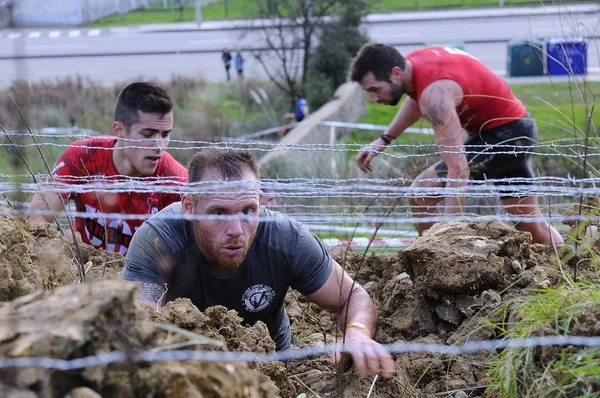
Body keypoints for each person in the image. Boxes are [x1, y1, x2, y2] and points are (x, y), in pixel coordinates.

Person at [122, 148, 394, 378]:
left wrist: (357, 333)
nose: (237, 230)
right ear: (190, 208)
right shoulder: (159, 241)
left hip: (271, 371)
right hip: (185, 373)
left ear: (260, 203)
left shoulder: (286, 239)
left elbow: (353, 296)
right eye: (219, 213)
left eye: (248, 211)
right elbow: (139, 320)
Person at [349, 43, 563, 246]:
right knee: (530, 226)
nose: (373, 98)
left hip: (503, 136)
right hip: (519, 127)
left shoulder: (435, 97)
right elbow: (415, 99)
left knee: (421, 193)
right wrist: (384, 139)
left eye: (375, 89)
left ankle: (435, 259)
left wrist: (448, 231)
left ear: (395, 73)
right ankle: (567, 260)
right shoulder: (414, 65)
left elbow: (458, 169)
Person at [27, 82, 188, 255]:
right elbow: (36, 217)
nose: (159, 146)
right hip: (85, 269)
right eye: (147, 134)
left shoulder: (175, 181)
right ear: (119, 130)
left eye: (165, 135)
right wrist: (61, 251)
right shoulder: (83, 157)